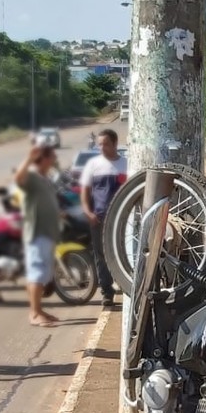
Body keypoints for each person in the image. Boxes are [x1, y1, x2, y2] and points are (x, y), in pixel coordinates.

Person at [13, 144, 64, 328]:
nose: (54, 160)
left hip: (47, 233)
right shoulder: (32, 176)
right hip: (36, 234)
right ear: (43, 158)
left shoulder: (44, 178)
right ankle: (34, 313)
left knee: (43, 274)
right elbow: (18, 179)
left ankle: (39, 310)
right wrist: (28, 157)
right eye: (52, 157)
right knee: (37, 273)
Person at [80, 128, 127, 307]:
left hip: (121, 217)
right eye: (100, 144)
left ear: (115, 144)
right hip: (98, 217)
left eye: (105, 144)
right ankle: (107, 292)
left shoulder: (126, 164)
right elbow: (85, 191)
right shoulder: (93, 165)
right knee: (101, 255)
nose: (102, 147)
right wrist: (87, 211)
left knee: (120, 253)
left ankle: (123, 284)